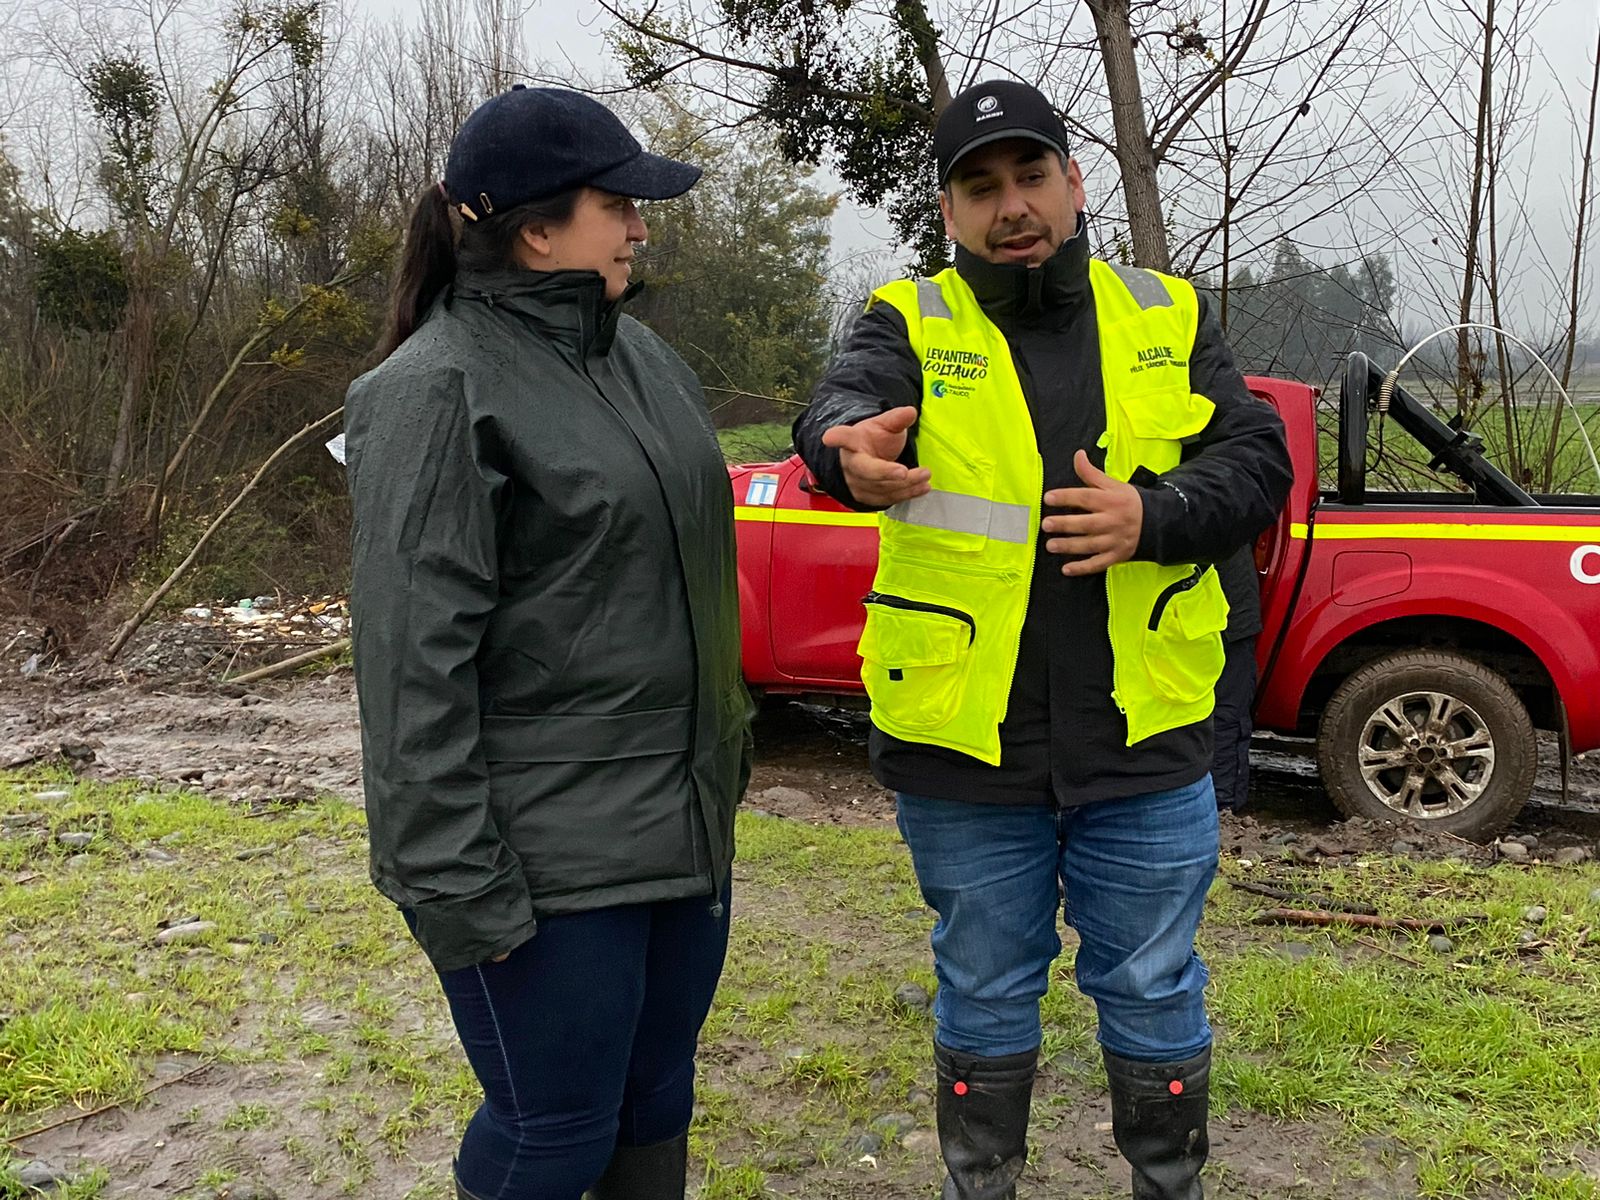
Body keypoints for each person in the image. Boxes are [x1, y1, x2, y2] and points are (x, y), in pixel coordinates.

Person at [793, 80, 1293, 1199]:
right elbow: (838, 406)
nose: (1010, 205)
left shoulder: (1165, 313)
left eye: (1030, 177)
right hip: (967, 750)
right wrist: (842, 449)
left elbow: (1259, 465)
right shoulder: (908, 319)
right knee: (979, 988)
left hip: (1145, 738)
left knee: (1157, 988)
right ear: (949, 210)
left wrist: (1151, 517)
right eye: (982, 188)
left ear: (1073, 182)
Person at [345, 86, 753, 1200]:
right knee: (554, 1129)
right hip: (544, 860)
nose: (639, 225)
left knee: (654, 1101)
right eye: (617, 204)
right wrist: (457, 883)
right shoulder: (433, 390)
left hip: (678, 834)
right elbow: (408, 666)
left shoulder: (648, 365)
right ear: (535, 230)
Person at [1211, 545, 1263, 812]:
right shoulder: (1225, 508)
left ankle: (1224, 806)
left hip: (1226, 620)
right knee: (1226, 716)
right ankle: (1222, 804)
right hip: (1228, 617)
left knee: (1224, 717)